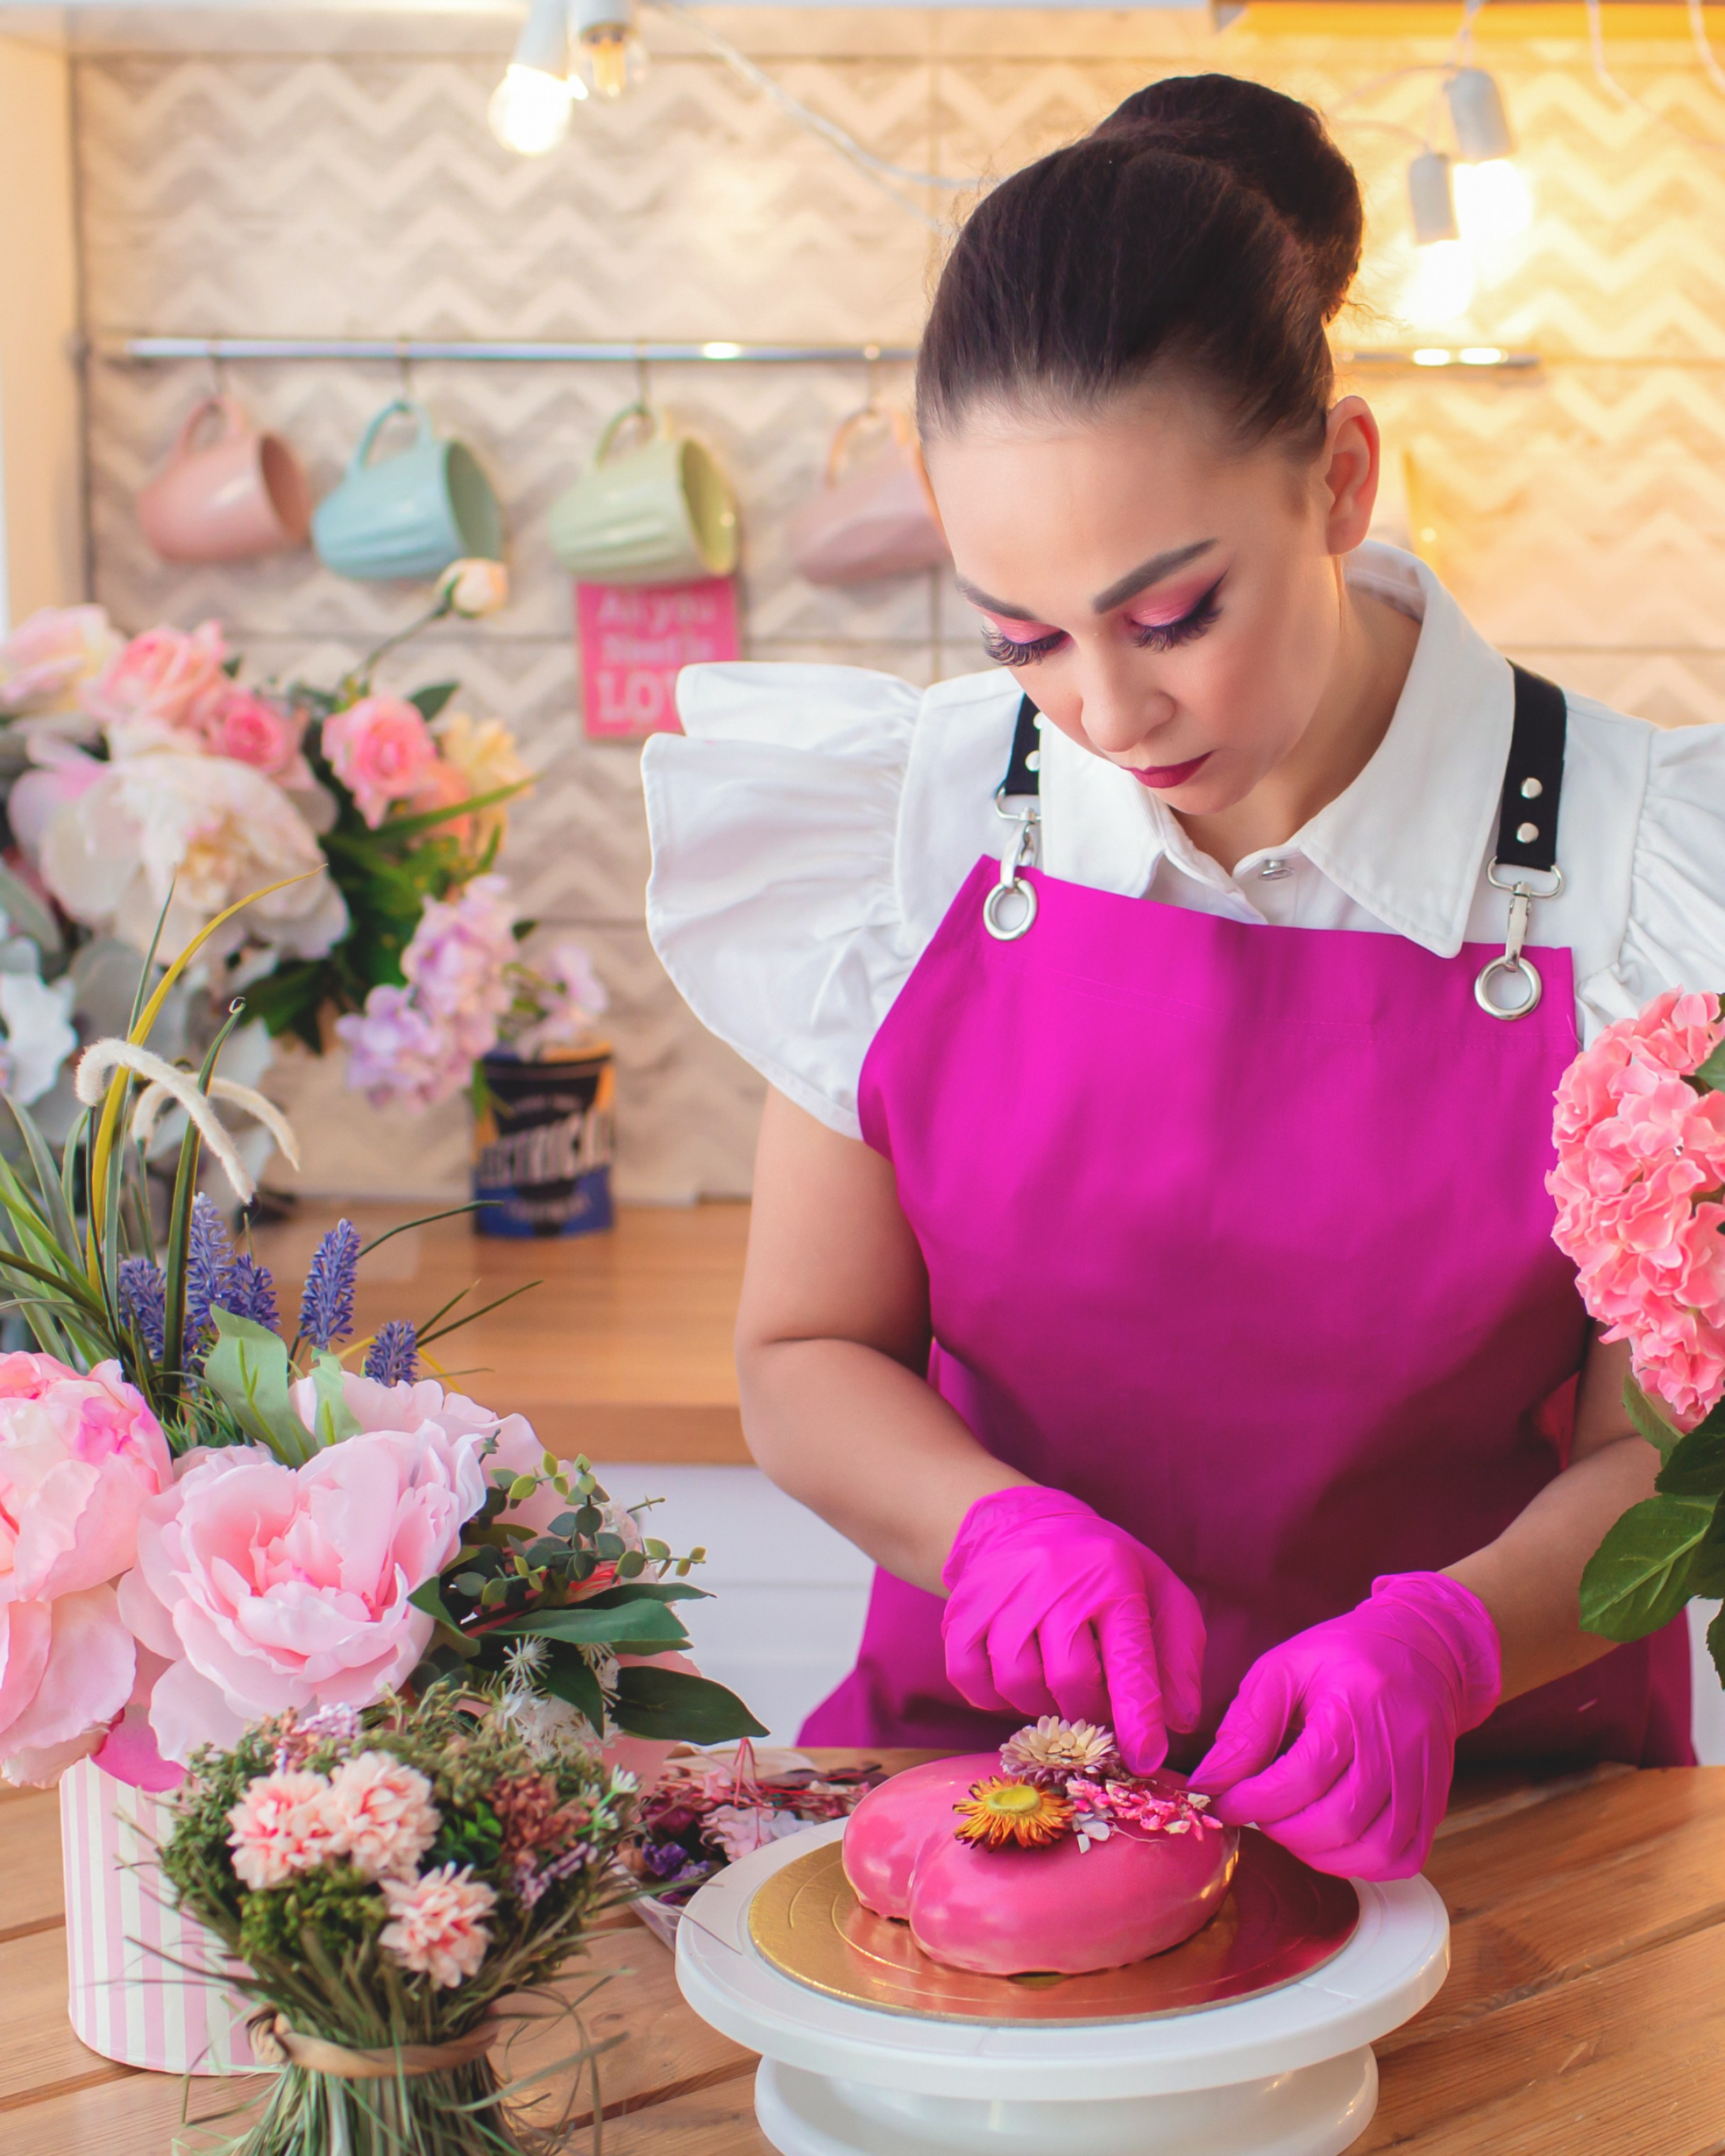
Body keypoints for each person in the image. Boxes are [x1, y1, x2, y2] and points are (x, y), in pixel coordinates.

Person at [643, 74, 1723, 1882]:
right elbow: (803, 1348)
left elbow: (1657, 1458)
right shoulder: (901, 828)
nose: (1104, 712)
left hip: (1502, 1823)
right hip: (990, 1812)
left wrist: (1447, 1647)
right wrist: (988, 1532)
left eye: (1171, 616)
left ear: (1341, 478)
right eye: (1020, 634)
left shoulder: (1639, 867)